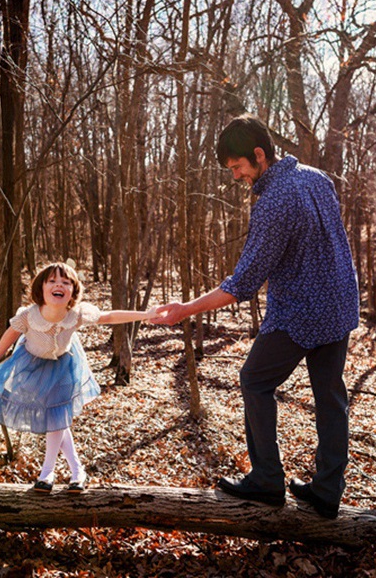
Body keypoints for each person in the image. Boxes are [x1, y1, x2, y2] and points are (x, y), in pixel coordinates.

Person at [152, 115, 358, 518]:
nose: (236, 176)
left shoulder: (275, 202)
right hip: (340, 302)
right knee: (330, 396)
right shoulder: (317, 178)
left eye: (237, 167)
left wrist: (185, 310)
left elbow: (241, 284)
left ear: (259, 155)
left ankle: (266, 478)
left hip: (304, 311)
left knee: (255, 380)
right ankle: (328, 491)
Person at [0, 261, 158, 494]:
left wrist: (145, 315)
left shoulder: (76, 314)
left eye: (66, 282)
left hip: (64, 366)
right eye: (52, 281)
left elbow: (109, 316)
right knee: (56, 419)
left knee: (57, 416)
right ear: (41, 289)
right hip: (33, 366)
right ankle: (78, 470)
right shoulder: (29, 315)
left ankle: (47, 473)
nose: (59, 285)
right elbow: (10, 335)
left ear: (72, 292)